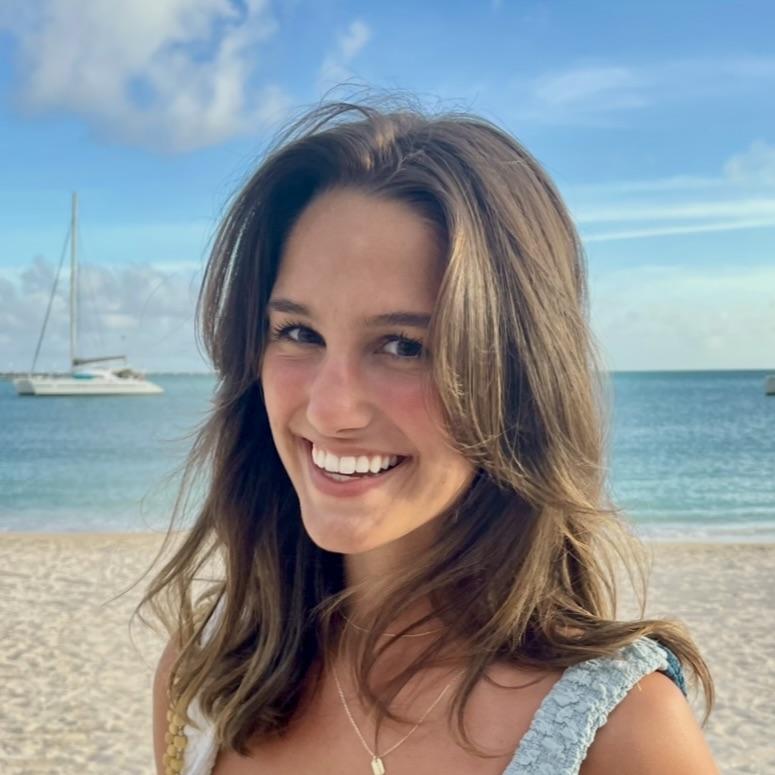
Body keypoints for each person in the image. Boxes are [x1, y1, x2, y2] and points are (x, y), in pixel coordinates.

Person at [143, 98, 719, 775]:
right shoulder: (207, 677)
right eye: (298, 332)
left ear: (518, 380)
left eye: (403, 345)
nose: (330, 409)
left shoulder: (623, 732)